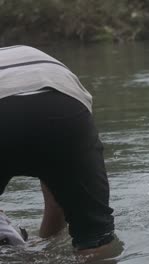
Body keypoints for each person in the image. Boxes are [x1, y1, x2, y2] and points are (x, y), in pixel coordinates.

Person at [0, 45, 115, 252]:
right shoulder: (25, 53)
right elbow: (59, 192)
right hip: (63, 104)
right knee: (95, 235)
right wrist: (46, 243)